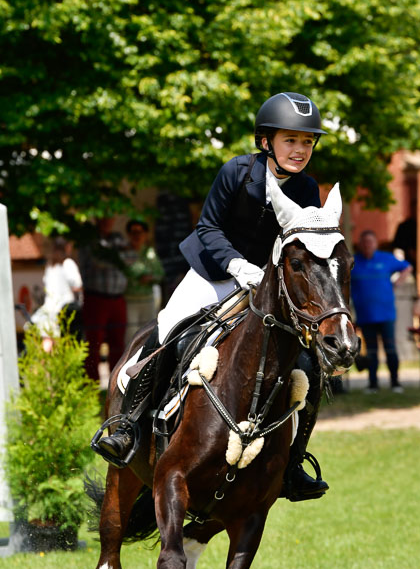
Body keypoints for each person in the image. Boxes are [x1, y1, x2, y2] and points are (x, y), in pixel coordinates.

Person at [95, 91, 330, 502]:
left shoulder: (308, 188)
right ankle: (127, 426)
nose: (299, 149)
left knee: (307, 367)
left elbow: (302, 245)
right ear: (266, 142)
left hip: (266, 287)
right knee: (167, 332)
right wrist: (237, 266)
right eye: (290, 140)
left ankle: (293, 464)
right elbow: (208, 228)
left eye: (306, 142)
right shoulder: (236, 173)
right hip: (213, 274)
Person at [351, 230, 412, 392]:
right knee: (371, 351)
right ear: (360, 245)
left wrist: (398, 282)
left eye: (370, 242)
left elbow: (407, 267)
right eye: (364, 243)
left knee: (390, 349)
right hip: (365, 316)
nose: (367, 245)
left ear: (375, 243)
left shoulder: (386, 259)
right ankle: (373, 384)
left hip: (386, 314)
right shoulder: (354, 262)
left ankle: (395, 382)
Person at [79, 217, 128, 381]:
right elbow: (98, 261)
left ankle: (116, 381)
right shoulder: (89, 241)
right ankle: (91, 385)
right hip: (96, 298)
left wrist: (120, 259)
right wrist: (119, 260)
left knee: (118, 343)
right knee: (93, 344)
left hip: (117, 298)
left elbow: (130, 258)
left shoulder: (117, 238)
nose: (107, 221)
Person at [30, 236, 83, 350]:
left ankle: (40, 367)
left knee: (47, 341)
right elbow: (77, 285)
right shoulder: (68, 263)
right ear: (66, 247)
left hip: (49, 308)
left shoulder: (51, 264)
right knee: (61, 345)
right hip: (64, 310)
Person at [124, 219, 165, 343]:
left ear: (145, 234)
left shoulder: (150, 253)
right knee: (130, 335)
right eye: (133, 232)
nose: (137, 235)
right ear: (129, 234)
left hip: (147, 300)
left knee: (147, 334)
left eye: (140, 232)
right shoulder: (124, 252)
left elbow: (160, 274)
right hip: (129, 301)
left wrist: (150, 278)